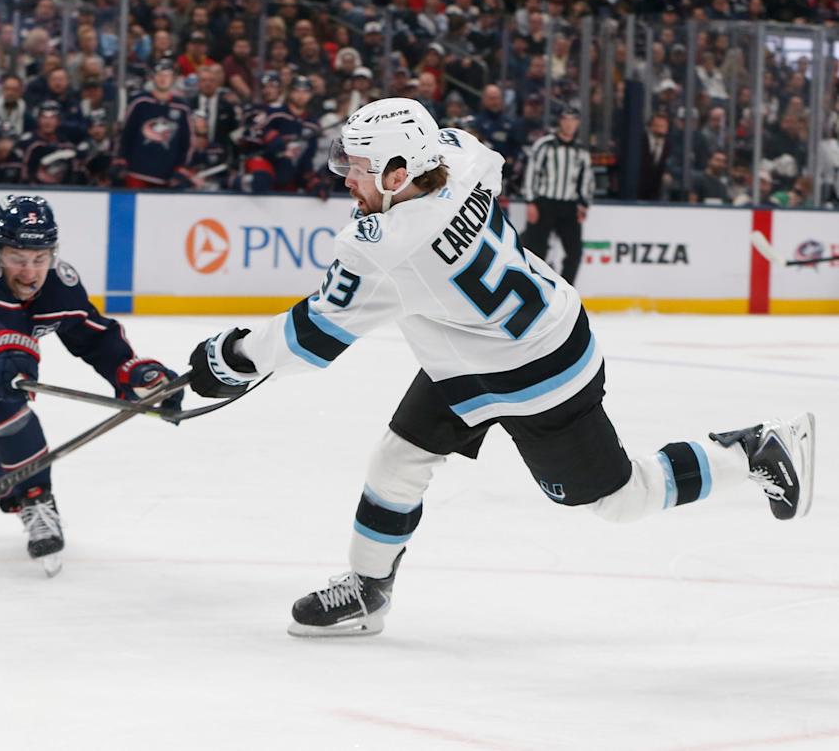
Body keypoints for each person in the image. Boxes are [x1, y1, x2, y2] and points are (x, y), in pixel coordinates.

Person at [185, 97, 815, 637]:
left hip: (538, 375)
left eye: (357, 167)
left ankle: (753, 451)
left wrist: (230, 358)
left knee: (622, 499)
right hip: (480, 351)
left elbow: (308, 341)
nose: (345, 178)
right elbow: (477, 153)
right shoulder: (457, 160)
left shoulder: (391, 250)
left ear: (400, 174)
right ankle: (367, 591)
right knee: (398, 460)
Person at [0, 195, 183, 575]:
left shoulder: (59, 283)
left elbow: (91, 335)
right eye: (17, 258)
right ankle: (18, 492)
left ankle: (36, 499)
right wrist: (1, 347)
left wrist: (134, 373)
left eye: (40, 258)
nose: (30, 272)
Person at [521, 107, 592, 284]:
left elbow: (586, 179)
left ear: (578, 123)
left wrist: (583, 204)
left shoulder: (581, 150)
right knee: (535, 250)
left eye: (573, 120)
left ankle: (565, 291)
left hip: (569, 205)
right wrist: (531, 201)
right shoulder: (544, 145)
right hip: (545, 203)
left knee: (575, 251)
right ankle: (533, 288)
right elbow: (532, 173)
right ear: (560, 121)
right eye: (565, 120)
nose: (569, 124)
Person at [115, 59, 192, 189]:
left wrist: (182, 168)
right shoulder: (140, 102)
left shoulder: (182, 108)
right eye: (159, 75)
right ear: (152, 77)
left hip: (167, 177)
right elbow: (125, 133)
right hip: (136, 173)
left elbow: (187, 143)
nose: (163, 79)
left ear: (173, 78)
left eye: (167, 75)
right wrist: (120, 159)